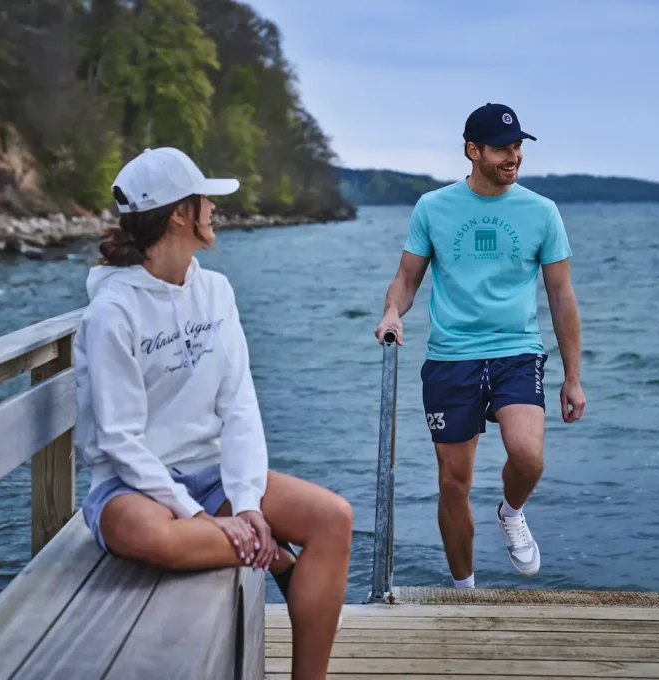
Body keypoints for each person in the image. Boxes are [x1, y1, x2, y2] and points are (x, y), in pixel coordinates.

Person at [73, 146, 351, 678]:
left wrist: (245, 502)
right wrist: (197, 515)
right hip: (131, 485)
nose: (214, 210)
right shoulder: (113, 311)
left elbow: (239, 403)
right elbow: (119, 439)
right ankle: (272, 555)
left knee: (333, 518)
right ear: (180, 213)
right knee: (154, 537)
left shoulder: (217, 292)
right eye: (206, 200)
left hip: (212, 473)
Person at [374, 103, 586, 588]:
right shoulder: (433, 207)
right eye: (502, 148)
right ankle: (463, 592)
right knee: (453, 485)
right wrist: (391, 312)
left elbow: (561, 295)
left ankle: (511, 512)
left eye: (517, 147)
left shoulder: (541, 212)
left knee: (528, 456)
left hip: (517, 351)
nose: (513, 156)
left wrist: (573, 377)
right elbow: (407, 279)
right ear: (473, 151)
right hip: (451, 358)